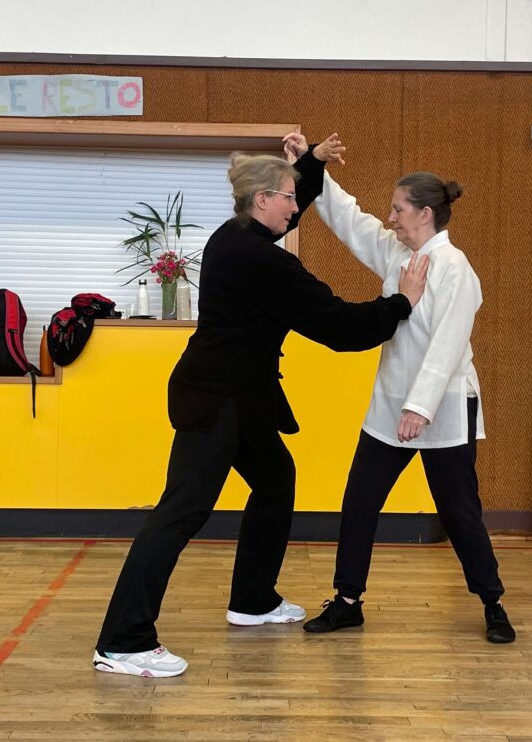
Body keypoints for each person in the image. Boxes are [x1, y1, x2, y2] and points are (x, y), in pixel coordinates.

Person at [92, 135, 430, 678]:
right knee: (182, 510)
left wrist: (312, 163)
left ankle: (252, 600)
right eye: (291, 198)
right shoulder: (259, 261)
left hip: (242, 396)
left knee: (275, 479)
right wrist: (402, 303)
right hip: (216, 399)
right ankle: (123, 640)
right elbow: (340, 327)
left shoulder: (239, 233)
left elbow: (293, 216)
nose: (298, 209)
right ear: (263, 200)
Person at [292, 134, 515, 645]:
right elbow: (349, 218)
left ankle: (493, 602)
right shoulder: (396, 253)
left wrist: (420, 407)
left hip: (442, 407)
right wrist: (308, 163)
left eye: (397, 210)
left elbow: (449, 346)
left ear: (424, 215)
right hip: (391, 404)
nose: (389, 217)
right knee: (360, 502)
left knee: (460, 513)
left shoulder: (456, 270)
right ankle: (348, 601)